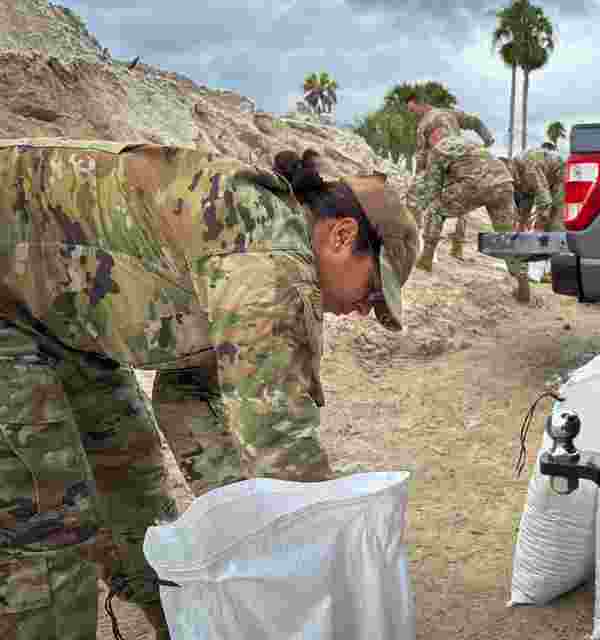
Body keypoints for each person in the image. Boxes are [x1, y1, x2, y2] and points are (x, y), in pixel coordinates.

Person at [0, 138, 420, 639]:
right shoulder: (271, 254)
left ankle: (181, 627)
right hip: (12, 310)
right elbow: (281, 447)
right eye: (372, 292)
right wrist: (321, 580)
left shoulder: (247, 259)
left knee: (133, 482)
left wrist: (241, 524)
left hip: (61, 321)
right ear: (341, 235)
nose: (362, 310)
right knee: (49, 525)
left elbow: (188, 397)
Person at [412, 136, 531, 303]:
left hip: (477, 183)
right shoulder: (467, 143)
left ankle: (425, 259)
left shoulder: (437, 150)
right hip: (504, 183)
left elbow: (433, 188)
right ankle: (522, 277)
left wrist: (418, 206)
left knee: (435, 210)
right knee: (506, 235)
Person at [407, 95, 496, 261]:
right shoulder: (450, 113)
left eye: (412, 110)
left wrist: (418, 179)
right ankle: (457, 248)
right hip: (462, 160)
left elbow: (421, 157)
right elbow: (475, 121)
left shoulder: (423, 124)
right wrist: (487, 138)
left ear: (421, 104)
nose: (413, 114)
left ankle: (420, 246)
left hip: (441, 162)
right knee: (461, 203)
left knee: (421, 201)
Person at [507, 146, 566, 232]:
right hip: (548, 179)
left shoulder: (529, 170)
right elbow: (527, 197)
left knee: (555, 224)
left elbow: (545, 202)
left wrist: (538, 228)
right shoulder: (516, 173)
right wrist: (521, 225)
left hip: (561, 175)